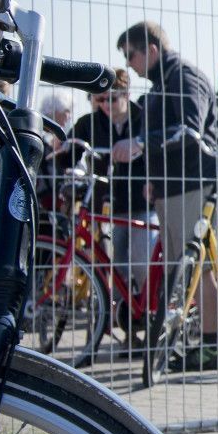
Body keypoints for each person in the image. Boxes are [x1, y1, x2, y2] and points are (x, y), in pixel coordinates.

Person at [112, 20, 218, 370]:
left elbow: (191, 129)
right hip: (176, 186)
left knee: (198, 268)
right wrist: (154, 179)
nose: (130, 64)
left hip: (195, 184)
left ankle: (212, 350)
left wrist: (140, 143)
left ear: (150, 49)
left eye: (131, 55)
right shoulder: (165, 80)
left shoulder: (183, 76)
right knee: (192, 267)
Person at [70, 69, 153, 296]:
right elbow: (69, 151)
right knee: (115, 264)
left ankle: (149, 308)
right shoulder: (90, 122)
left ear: (126, 94)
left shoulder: (144, 118)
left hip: (141, 200)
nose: (106, 104)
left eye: (112, 99)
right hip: (107, 203)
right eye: (101, 99)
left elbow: (158, 155)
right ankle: (121, 314)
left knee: (141, 259)